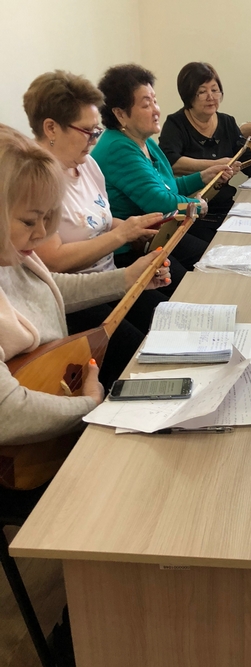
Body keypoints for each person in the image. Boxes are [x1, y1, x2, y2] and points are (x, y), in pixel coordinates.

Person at [0, 124, 170, 446]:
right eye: (29, 221)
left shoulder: (11, 252)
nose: (41, 234)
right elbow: (8, 411)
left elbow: (44, 288)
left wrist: (126, 278)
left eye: (47, 219)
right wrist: (90, 405)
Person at [22, 71, 170, 385]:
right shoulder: (35, 180)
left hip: (107, 279)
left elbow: (100, 220)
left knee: (167, 319)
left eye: (96, 130)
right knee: (137, 355)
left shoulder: (87, 163)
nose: (94, 139)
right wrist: (121, 235)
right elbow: (53, 261)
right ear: (51, 128)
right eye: (87, 131)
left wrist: (136, 230)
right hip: (75, 300)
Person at [91, 63, 233, 249]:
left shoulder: (144, 140)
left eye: (155, 101)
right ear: (120, 114)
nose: (156, 110)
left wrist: (203, 177)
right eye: (146, 105)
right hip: (131, 248)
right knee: (210, 256)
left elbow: (169, 187)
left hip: (159, 234)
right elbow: (160, 202)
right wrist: (197, 206)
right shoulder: (118, 148)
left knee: (214, 251)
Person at [159, 62, 251, 237]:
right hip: (191, 216)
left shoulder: (227, 122)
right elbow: (170, 162)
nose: (211, 97)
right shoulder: (175, 124)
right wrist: (214, 165)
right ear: (188, 95)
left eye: (215, 90)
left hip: (226, 211)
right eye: (202, 92)